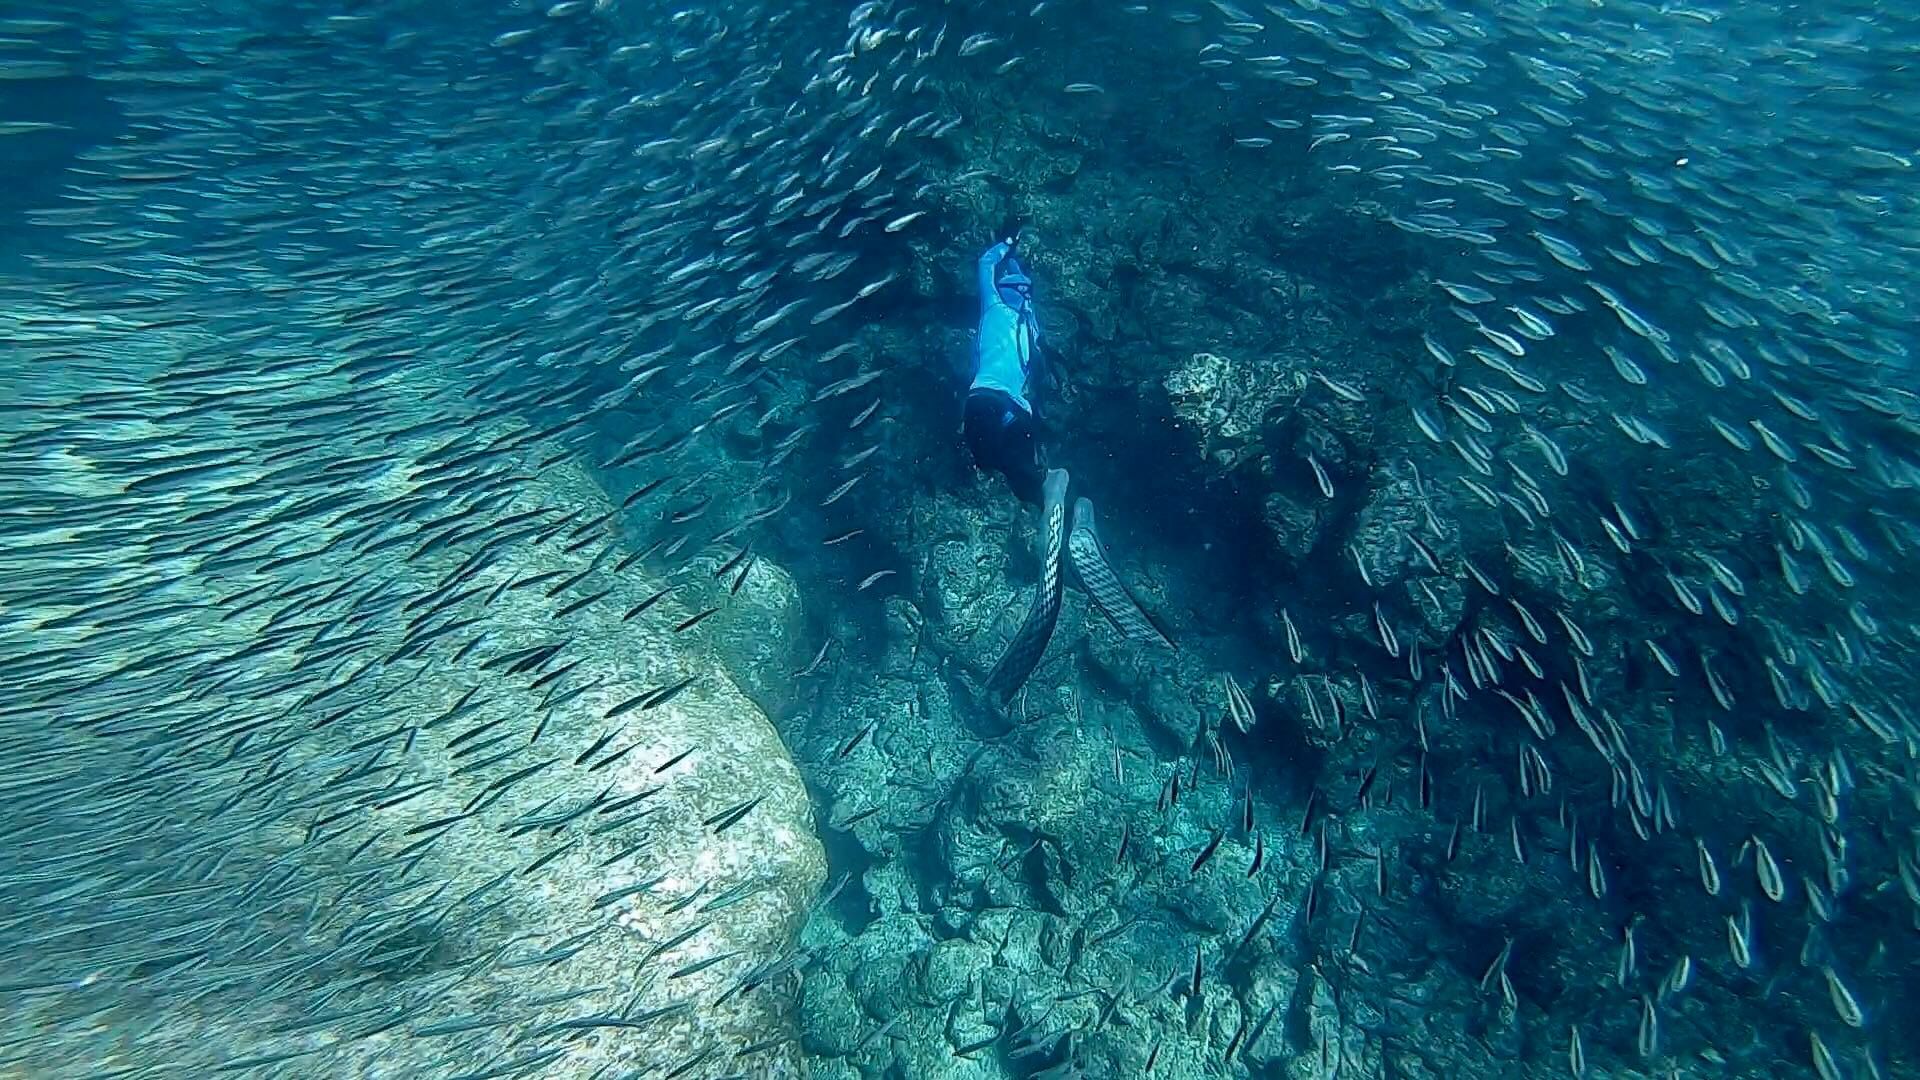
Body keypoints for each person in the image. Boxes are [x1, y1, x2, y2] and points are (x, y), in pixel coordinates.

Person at [964, 233, 1048, 504]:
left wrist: (1008, 244)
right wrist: (1016, 265)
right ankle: (1039, 500)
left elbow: (986, 263)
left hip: (981, 400)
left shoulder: (993, 306)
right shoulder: (1032, 326)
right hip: (1016, 410)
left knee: (984, 462)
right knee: (1020, 473)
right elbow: (1024, 291)